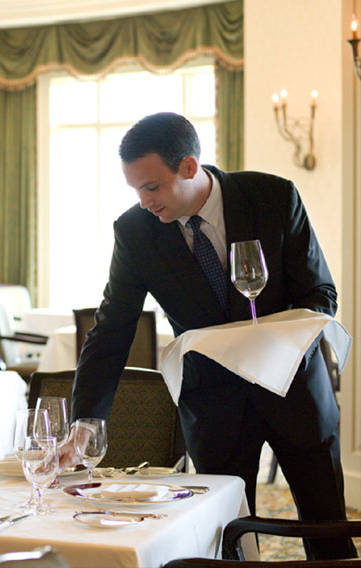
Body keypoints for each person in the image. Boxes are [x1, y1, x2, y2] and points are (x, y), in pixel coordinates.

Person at [64, 112, 355, 560]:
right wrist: (87, 419)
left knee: (327, 532)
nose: (143, 202)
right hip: (213, 403)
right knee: (223, 541)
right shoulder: (135, 232)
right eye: (135, 189)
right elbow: (112, 327)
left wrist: (275, 341)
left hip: (294, 392)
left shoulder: (273, 196)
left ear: (189, 167)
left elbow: (321, 294)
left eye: (152, 187)